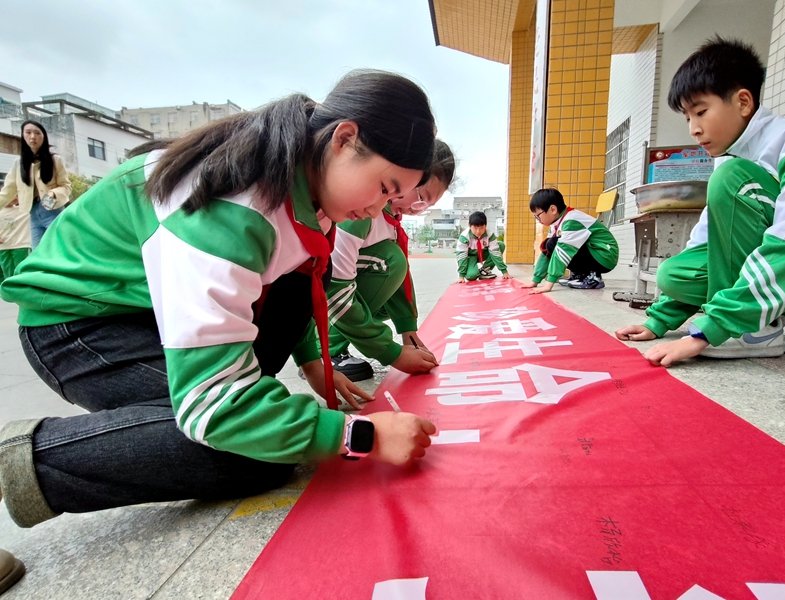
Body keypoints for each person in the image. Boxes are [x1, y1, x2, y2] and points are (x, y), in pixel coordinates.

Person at [0, 70, 438, 531]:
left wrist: (312, 361)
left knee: (268, 425)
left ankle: (185, 400)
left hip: (150, 313)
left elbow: (294, 283)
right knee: (250, 453)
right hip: (80, 324)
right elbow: (216, 407)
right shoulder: (232, 205)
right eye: (386, 188)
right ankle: (25, 459)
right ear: (344, 139)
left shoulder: (305, 186)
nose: (377, 210)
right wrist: (360, 435)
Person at [615, 37, 785, 366]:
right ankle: (764, 317)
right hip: (782, 282)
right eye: (687, 117)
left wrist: (710, 330)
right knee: (673, 273)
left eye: (700, 112)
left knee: (732, 178)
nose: (694, 129)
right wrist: (659, 321)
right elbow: (707, 243)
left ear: (743, 102)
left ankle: (757, 329)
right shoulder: (730, 163)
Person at [321, 140, 454, 382]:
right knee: (390, 260)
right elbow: (334, 285)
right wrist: (391, 353)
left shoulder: (392, 219)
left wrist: (407, 331)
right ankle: (326, 350)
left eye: (427, 206)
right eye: (421, 196)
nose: (418, 208)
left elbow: (401, 277)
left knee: (393, 266)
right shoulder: (361, 212)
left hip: (338, 290)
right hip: (319, 296)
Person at [520, 188, 618, 293]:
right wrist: (535, 280)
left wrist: (549, 284)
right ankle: (580, 275)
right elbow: (546, 252)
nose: (538, 220)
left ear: (553, 209)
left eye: (538, 216)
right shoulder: (556, 223)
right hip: (594, 252)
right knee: (550, 244)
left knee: (555, 244)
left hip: (605, 256)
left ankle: (593, 278)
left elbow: (563, 251)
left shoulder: (572, 220)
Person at [0, 121, 71, 248]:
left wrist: (53, 193)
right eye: (28, 132)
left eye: (37, 133)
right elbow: (7, 192)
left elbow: (66, 186)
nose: (33, 137)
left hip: (53, 209)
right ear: (23, 135)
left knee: (60, 248)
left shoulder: (55, 160)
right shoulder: (19, 163)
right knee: (38, 253)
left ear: (43, 137)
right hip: (32, 213)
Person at [456, 211, 509, 282]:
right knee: (472, 276)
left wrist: (504, 272)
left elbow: (495, 253)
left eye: (481, 228)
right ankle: (472, 270)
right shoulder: (464, 237)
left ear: (485, 226)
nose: (478, 231)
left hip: (483, 253)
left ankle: (484, 271)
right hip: (470, 257)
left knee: (500, 245)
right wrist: (461, 276)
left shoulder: (490, 235)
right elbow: (462, 256)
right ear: (470, 226)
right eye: (475, 228)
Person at [0, 198, 31, 283]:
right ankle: (9, 292)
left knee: (21, 271)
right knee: (8, 273)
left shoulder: (25, 210)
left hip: (21, 246)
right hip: (3, 247)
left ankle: (23, 291)